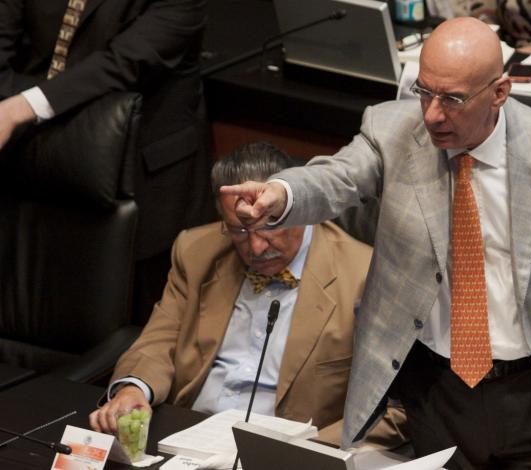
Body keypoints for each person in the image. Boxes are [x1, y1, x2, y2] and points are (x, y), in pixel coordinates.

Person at [222, 17, 531, 469]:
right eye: (424, 92)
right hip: (436, 392)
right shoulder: (391, 130)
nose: (432, 114)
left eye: (451, 99)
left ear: (499, 93)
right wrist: (281, 194)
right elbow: (337, 177)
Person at [89, 142, 405, 448]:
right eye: (240, 230)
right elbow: (159, 340)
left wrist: (311, 452)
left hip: (287, 454)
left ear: (300, 208)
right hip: (188, 437)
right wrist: (133, 388)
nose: (255, 247)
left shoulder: (367, 276)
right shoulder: (196, 250)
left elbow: (393, 410)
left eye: (270, 225)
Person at [0, 0, 214, 322]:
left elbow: (123, 64)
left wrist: (21, 107)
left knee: (143, 334)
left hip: (144, 184)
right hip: (38, 165)